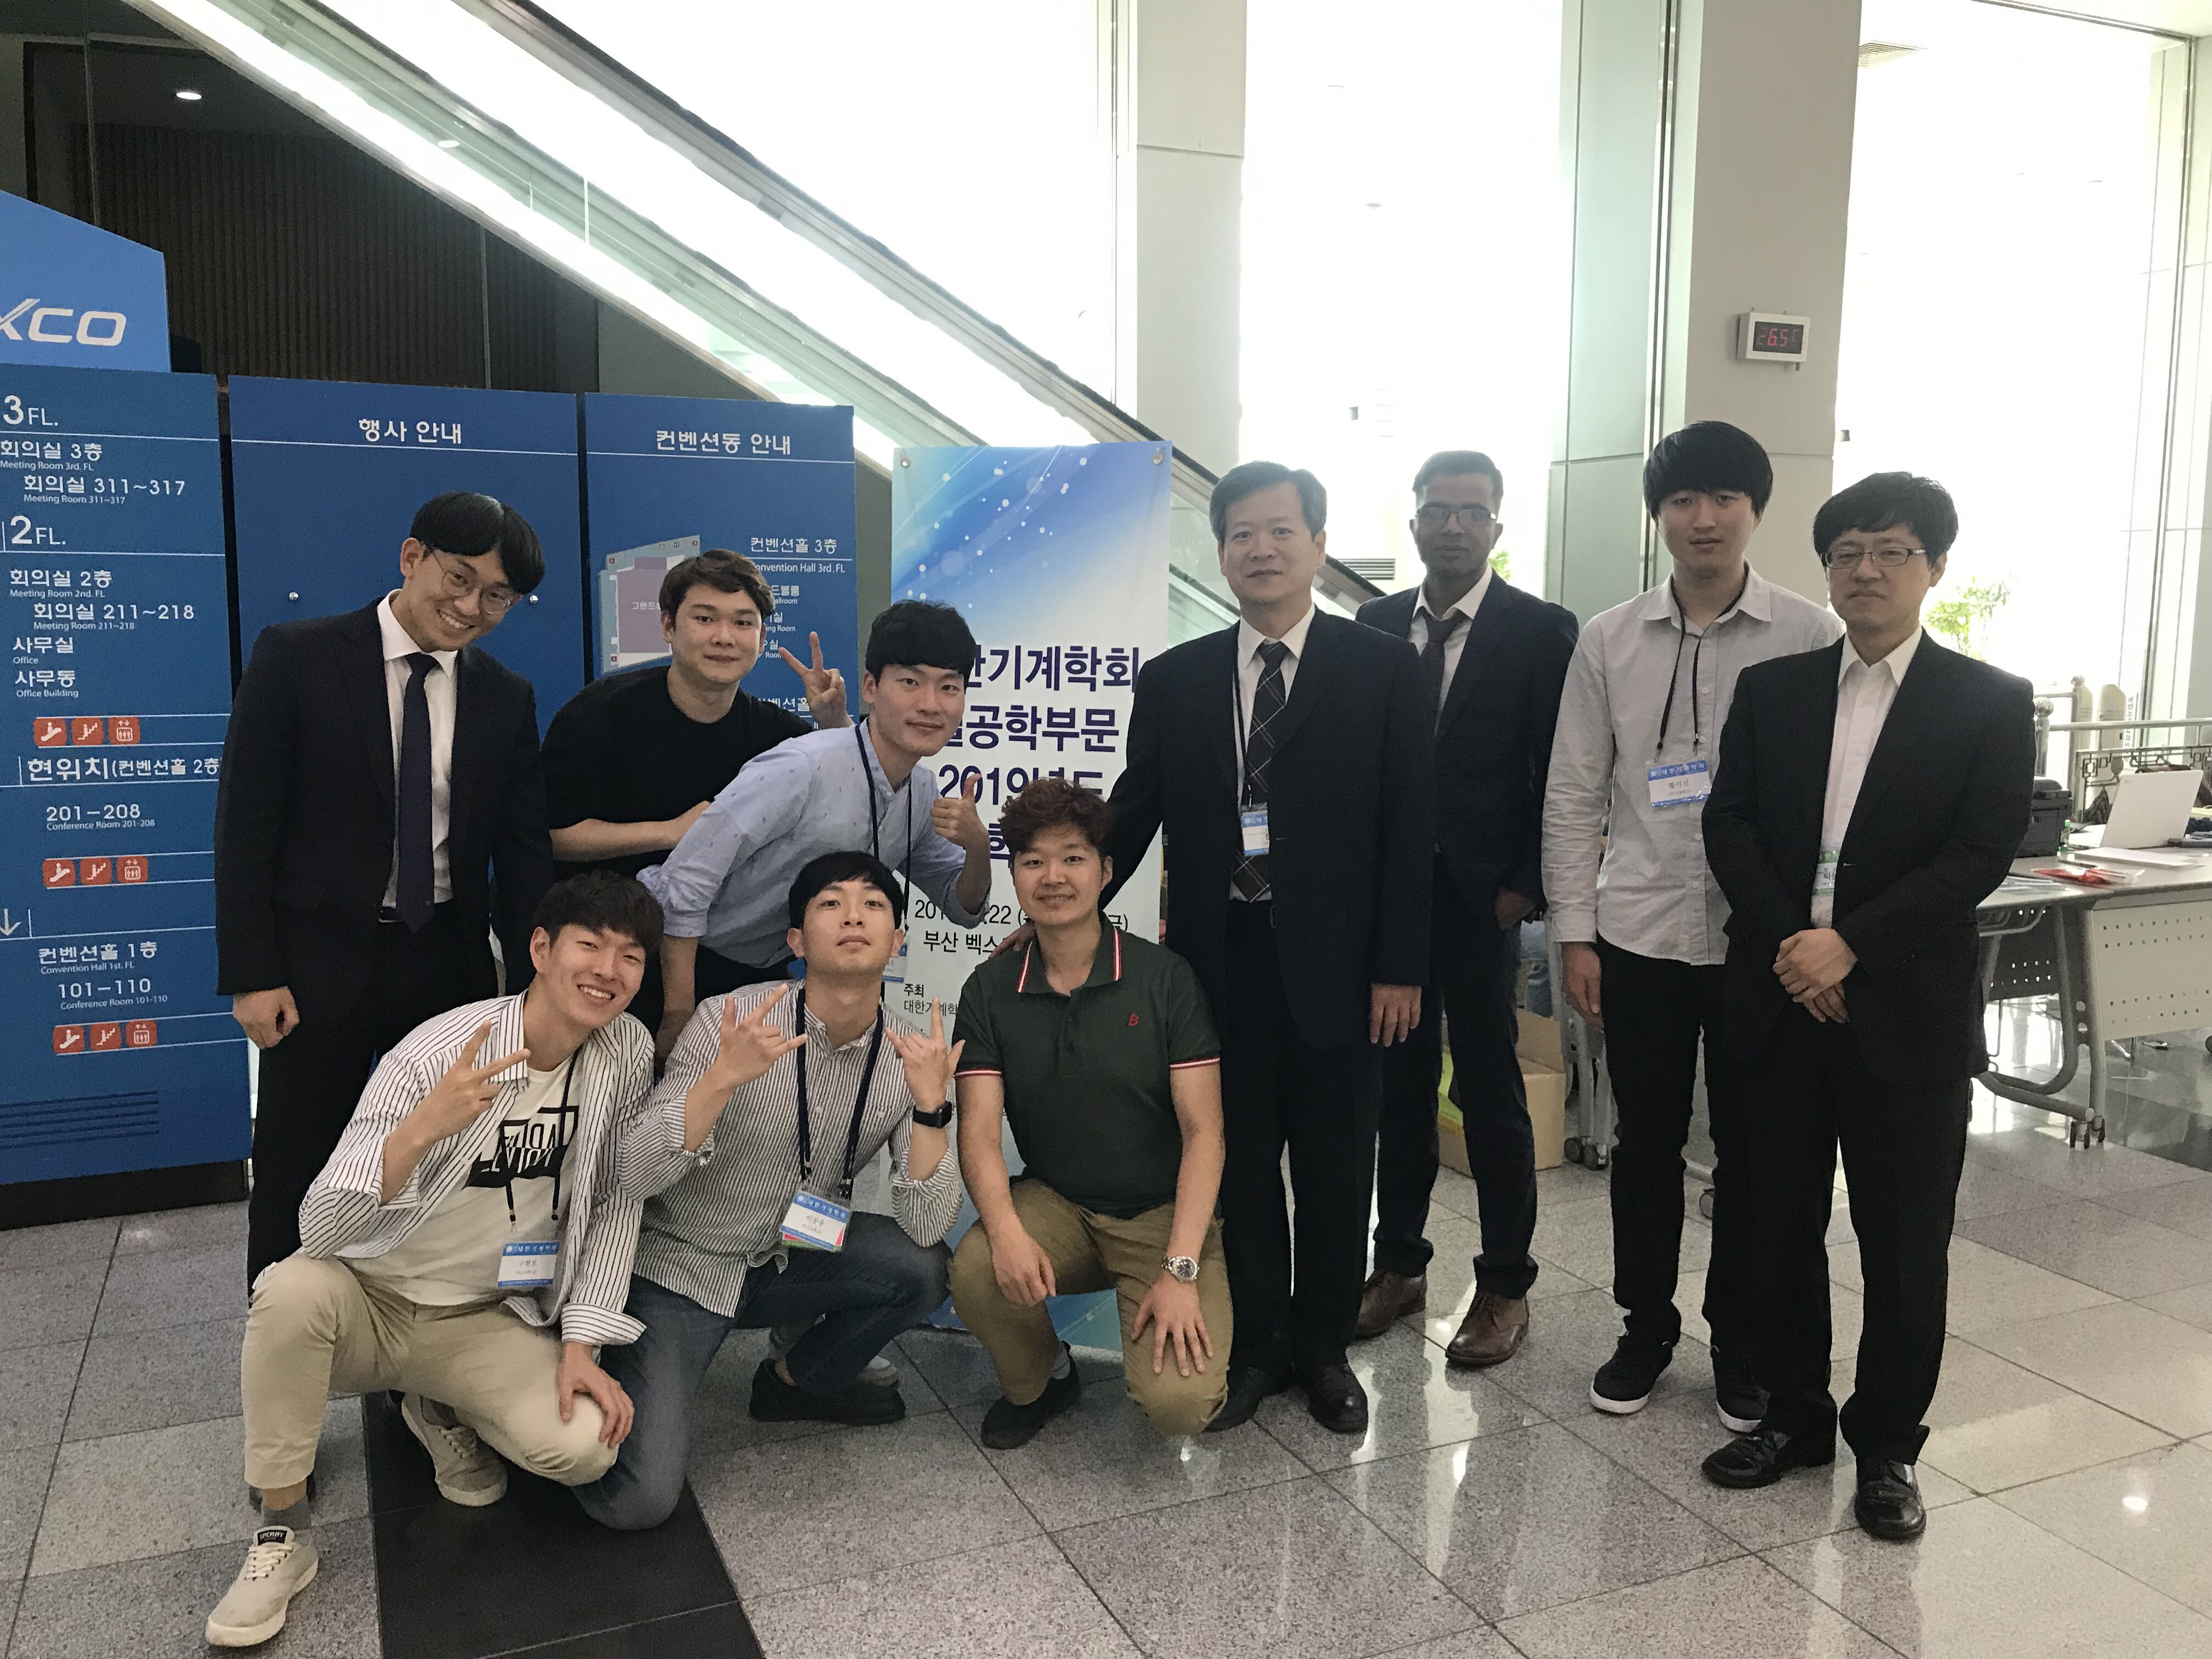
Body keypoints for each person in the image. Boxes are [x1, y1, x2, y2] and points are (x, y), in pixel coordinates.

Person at [1699, 472, 2033, 1542]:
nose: (1866, 570)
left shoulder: (1988, 701)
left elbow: (1978, 852)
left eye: (1891, 550)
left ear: (1934, 567)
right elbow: (1728, 826)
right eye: (1846, 552)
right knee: (1773, 1222)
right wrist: (1798, 949)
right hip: (1780, 1003)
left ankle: (1887, 1444)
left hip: (1906, 1012)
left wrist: (1851, 944)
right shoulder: (1775, 690)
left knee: (1903, 1241)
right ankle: (1793, 1417)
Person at [203, 873, 662, 1649]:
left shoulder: (625, 1051)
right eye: (589, 945)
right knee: (286, 1290)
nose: (608, 971)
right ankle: (284, 1534)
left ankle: (436, 1403)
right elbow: (319, 1225)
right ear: (540, 949)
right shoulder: (443, 1049)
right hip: (372, 1299)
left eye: (631, 957)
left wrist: (581, 1344)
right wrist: (421, 1129)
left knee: (584, 1448)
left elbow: (615, 1200)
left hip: (486, 1315)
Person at [1103, 461, 1433, 1436]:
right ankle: (1256, 1346)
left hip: (1346, 967)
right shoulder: (1175, 679)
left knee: (1336, 1162)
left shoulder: (1384, 668)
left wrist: (1400, 966)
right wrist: (1058, 899)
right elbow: (1133, 812)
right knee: (1239, 1164)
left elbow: (1410, 825)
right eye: (1242, 533)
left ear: (1318, 545)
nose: (1262, 549)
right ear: (1219, 553)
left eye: (1282, 530)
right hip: (1219, 964)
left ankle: (1323, 1347)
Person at [1542, 421, 1843, 1430]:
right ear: (1659, 516)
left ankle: (1739, 1339)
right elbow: (1573, 792)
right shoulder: (1609, 637)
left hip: (1763, 940)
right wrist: (1575, 934)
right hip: (1638, 934)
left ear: (1755, 511)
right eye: (1682, 501)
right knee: (1644, 1143)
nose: (1702, 519)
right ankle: (1645, 1324)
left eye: (1723, 499)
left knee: (1754, 1149)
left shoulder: (1808, 633)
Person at [217, 492, 558, 1288]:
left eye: (498, 596)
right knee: (298, 1159)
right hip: (314, 962)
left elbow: (522, 851)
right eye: (459, 579)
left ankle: (412, 1336)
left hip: (442, 959)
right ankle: (283, 1329)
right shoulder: (298, 656)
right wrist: (252, 973)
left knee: (443, 1163)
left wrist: (536, 987)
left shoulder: (505, 695)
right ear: (412, 557)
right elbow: (245, 824)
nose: (470, 608)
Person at [573, 851, 964, 1531]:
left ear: (898, 940)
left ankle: (796, 1383)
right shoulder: (731, 1020)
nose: (853, 916)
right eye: (831, 904)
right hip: (680, 1269)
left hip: (789, 1256)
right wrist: (720, 1081)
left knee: (921, 1269)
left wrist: (932, 1108)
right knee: (642, 1500)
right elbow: (633, 1172)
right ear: (796, 941)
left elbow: (928, 1224)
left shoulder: (912, 1055)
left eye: (873, 905)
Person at [1353, 450, 1578, 1367]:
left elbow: (1562, 767)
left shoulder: (1539, 630)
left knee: (1488, 1092)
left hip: (1483, 901)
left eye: (1471, 511)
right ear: (1413, 521)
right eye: (1437, 509)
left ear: (1496, 526)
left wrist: (1526, 883)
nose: (1453, 525)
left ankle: (1505, 1282)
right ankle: (1399, 1265)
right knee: (1398, 1090)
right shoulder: (1373, 624)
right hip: (1388, 902)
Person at [949, 778, 1231, 1444]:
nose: (1053, 878)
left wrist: (1180, 1269)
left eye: (1073, 858)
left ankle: (1204, 1289)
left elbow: (1205, 1134)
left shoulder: (1164, 979)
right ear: (1015, 876)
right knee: (978, 1267)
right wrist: (1008, 1234)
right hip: (1059, 1204)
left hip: (1162, 1215)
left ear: (1106, 872)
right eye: (1034, 861)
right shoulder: (991, 988)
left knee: (1181, 1405)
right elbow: (980, 1133)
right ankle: (1045, 1380)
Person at [641, 600, 991, 1064]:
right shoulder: (803, 766)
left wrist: (979, 847)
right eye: (910, 682)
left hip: (765, 977)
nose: (930, 704)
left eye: (949, 687)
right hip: (673, 968)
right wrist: (677, 1016)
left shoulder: (921, 791)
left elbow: (962, 907)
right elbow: (684, 885)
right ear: (871, 687)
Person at [543, 547, 851, 1032]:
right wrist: (669, 832)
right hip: (611, 950)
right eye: (705, 618)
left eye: (743, 623)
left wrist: (835, 727)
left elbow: (853, 802)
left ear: (762, 639)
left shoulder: (782, 739)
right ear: (668, 626)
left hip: (733, 957)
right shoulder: (600, 715)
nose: (724, 637)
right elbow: (551, 835)